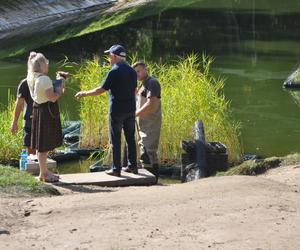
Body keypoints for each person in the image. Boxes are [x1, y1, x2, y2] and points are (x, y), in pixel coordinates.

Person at [75, 45, 137, 177]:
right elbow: (134, 91)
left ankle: (116, 169)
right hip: (131, 110)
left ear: (115, 56)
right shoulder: (132, 71)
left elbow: (101, 90)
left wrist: (84, 93)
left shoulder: (114, 71)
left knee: (115, 140)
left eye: (109, 56)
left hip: (117, 111)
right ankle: (132, 166)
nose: (108, 58)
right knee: (130, 139)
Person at [27, 52, 66, 182]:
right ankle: (44, 174)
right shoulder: (44, 79)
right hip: (46, 112)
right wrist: (60, 85)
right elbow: (53, 97)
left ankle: (44, 172)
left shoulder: (31, 77)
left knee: (41, 144)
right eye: (46, 63)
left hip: (38, 110)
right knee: (44, 145)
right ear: (43, 65)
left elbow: (45, 93)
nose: (48, 65)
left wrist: (58, 83)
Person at [132, 61, 162, 181]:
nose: (137, 74)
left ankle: (150, 182)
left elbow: (151, 104)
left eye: (139, 71)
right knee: (148, 154)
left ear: (146, 70)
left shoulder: (152, 82)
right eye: (135, 72)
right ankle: (154, 181)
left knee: (147, 153)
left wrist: (134, 114)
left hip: (151, 125)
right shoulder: (142, 85)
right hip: (142, 126)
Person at [10, 78, 36, 155]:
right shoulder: (25, 83)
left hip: (43, 122)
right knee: (31, 152)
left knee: (42, 152)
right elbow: (19, 104)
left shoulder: (45, 81)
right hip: (29, 122)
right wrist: (14, 122)